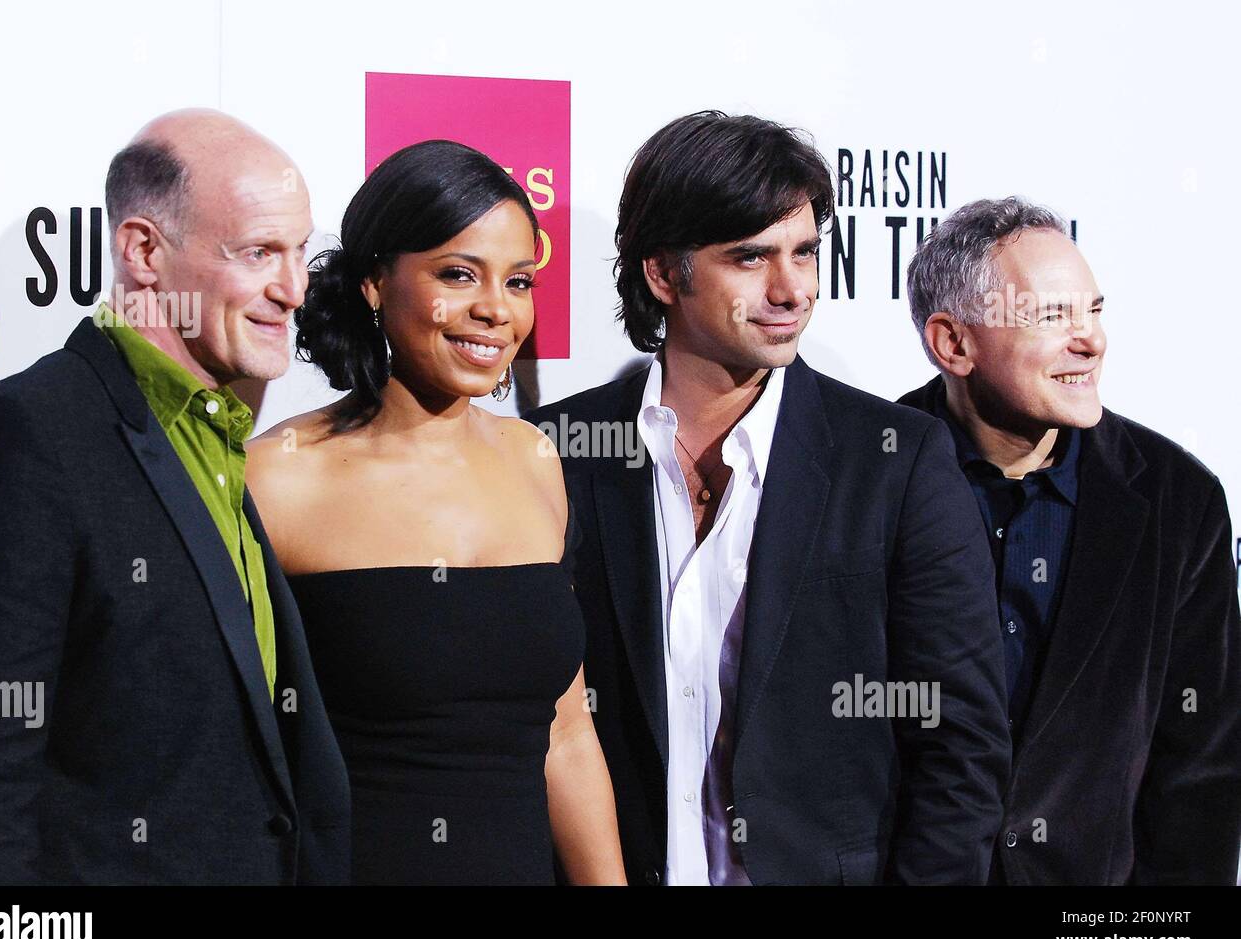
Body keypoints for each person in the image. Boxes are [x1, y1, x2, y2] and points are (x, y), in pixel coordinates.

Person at [525, 111, 1012, 885]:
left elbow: (961, 743)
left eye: (805, 253)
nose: (791, 289)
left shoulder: (894, 460)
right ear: (663, 274)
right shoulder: (552, 451)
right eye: (750, 258)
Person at [0, 109, 350, 883]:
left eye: (299, 252)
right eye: (260, 251)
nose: (293, 289)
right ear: (143, 251)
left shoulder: (229, 432)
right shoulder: (23, 436)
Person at [246, 139, 626, 885]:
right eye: (458, 273)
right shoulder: (276, 478)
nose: (495, 308)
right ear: (375, 283)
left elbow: (568, 735)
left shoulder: (535, 461)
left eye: (518, 280)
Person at [899, 196, 1241, 884]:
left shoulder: (1177, 498)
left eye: (1094, 310)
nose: (1090, 340)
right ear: (953, 343)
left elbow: (1200, 769)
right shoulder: (866, 476)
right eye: (1053, 316)